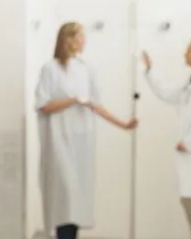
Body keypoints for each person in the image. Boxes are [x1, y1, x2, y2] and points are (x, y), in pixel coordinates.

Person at [35, 22, 138, 239]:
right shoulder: (50, 69)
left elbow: (95, 105)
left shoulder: (86, 69)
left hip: (82, 141)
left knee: (77, 201)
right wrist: (72, 100)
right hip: (58, 141)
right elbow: (44, 105)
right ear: (68, 39)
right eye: (80, 36)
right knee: (66, 195)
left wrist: (123, 124)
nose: (84, 41)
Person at [141, 38, 191, 239]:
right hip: (188, 150)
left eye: (189, 51)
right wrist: (150, 72)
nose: (184, 54)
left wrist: (190, 141)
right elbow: (168, 94)